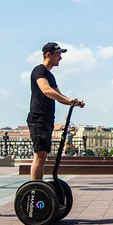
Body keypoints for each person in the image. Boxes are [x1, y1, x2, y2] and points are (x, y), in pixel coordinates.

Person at [27, 42, 84, 180]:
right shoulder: (39, 71)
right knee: (39, 156)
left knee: (43, 156)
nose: (60, 58)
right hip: (38, 118)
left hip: (46, 119)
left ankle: (38, 187)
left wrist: (73, 102)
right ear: (48, 54)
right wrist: (68, 100)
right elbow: (46, 90)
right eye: (58, 54)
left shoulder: (50, 75)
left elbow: (60, 97)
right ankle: (35, 189)